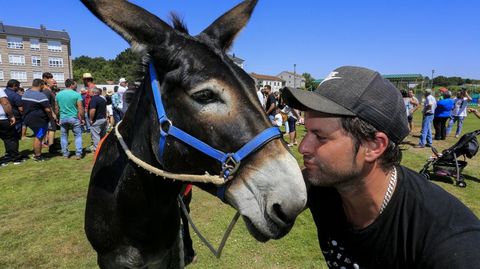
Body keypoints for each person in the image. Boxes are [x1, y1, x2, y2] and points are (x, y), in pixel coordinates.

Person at [282, 66, 480, 268]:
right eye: (305, 131)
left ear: (374, 146)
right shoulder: (319, 184)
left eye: (320, 137)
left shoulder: (448, 245)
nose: (304, 147)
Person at [22, 79, 56, 161]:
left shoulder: (25, 93)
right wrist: (51, 118)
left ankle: (37, 154)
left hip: (28, 119)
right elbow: (48, 110)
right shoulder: (40, 95)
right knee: (39, 136)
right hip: (39, 121)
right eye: (43, 85)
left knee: (38, 136)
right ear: (40, 85)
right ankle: (38, 156)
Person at [55, 79, 84, 159]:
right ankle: (78, 153)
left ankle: (65, 153)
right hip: (74, 118)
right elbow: (80, 108)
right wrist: (82, 118)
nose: (76, 85)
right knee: (78, 136)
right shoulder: (77, 94)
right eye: (75, 84)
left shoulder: (58, 95)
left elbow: (56, 108)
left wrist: (57, 118)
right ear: (71, 85)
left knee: (64, 136)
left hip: (63, 118)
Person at [2, 79, 24, 163]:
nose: (18, 88)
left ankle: (8, 153)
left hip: (4, 118)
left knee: (6, 138)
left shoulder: (3, 92)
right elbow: (21, 108)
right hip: (15, 118)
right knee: (14, 138)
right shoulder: (15, 95)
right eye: (18, 86)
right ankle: (15, 155)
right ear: (14, 86)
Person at [0, 88, 18, 166]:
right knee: (10, 138)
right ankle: (15, 158)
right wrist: (11, 115)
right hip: (2, 119)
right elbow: (5, 102)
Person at [42, 73, 58, 153]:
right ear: (48, 83)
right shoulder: (47, 92)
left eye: (55, 83)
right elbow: (46, 103)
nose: (55, 84)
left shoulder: (50, 91)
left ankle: (44, 143)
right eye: (54, 83)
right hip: (48, 115)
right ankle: (51, 147)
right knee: (52, 129)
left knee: (45, 129)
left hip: (48, 114)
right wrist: (53, 114)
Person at [89, 87, 108, 153]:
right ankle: (103, 148)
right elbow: (105, 109)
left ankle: (97, 151)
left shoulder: (93, 99)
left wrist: (91, 119)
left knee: (96, 136)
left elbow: (92, 110)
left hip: (97, 120)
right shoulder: (102, 99)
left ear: (93, 92)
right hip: (103, 119)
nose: (89, 93)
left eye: (90, 92)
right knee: (103, 136)